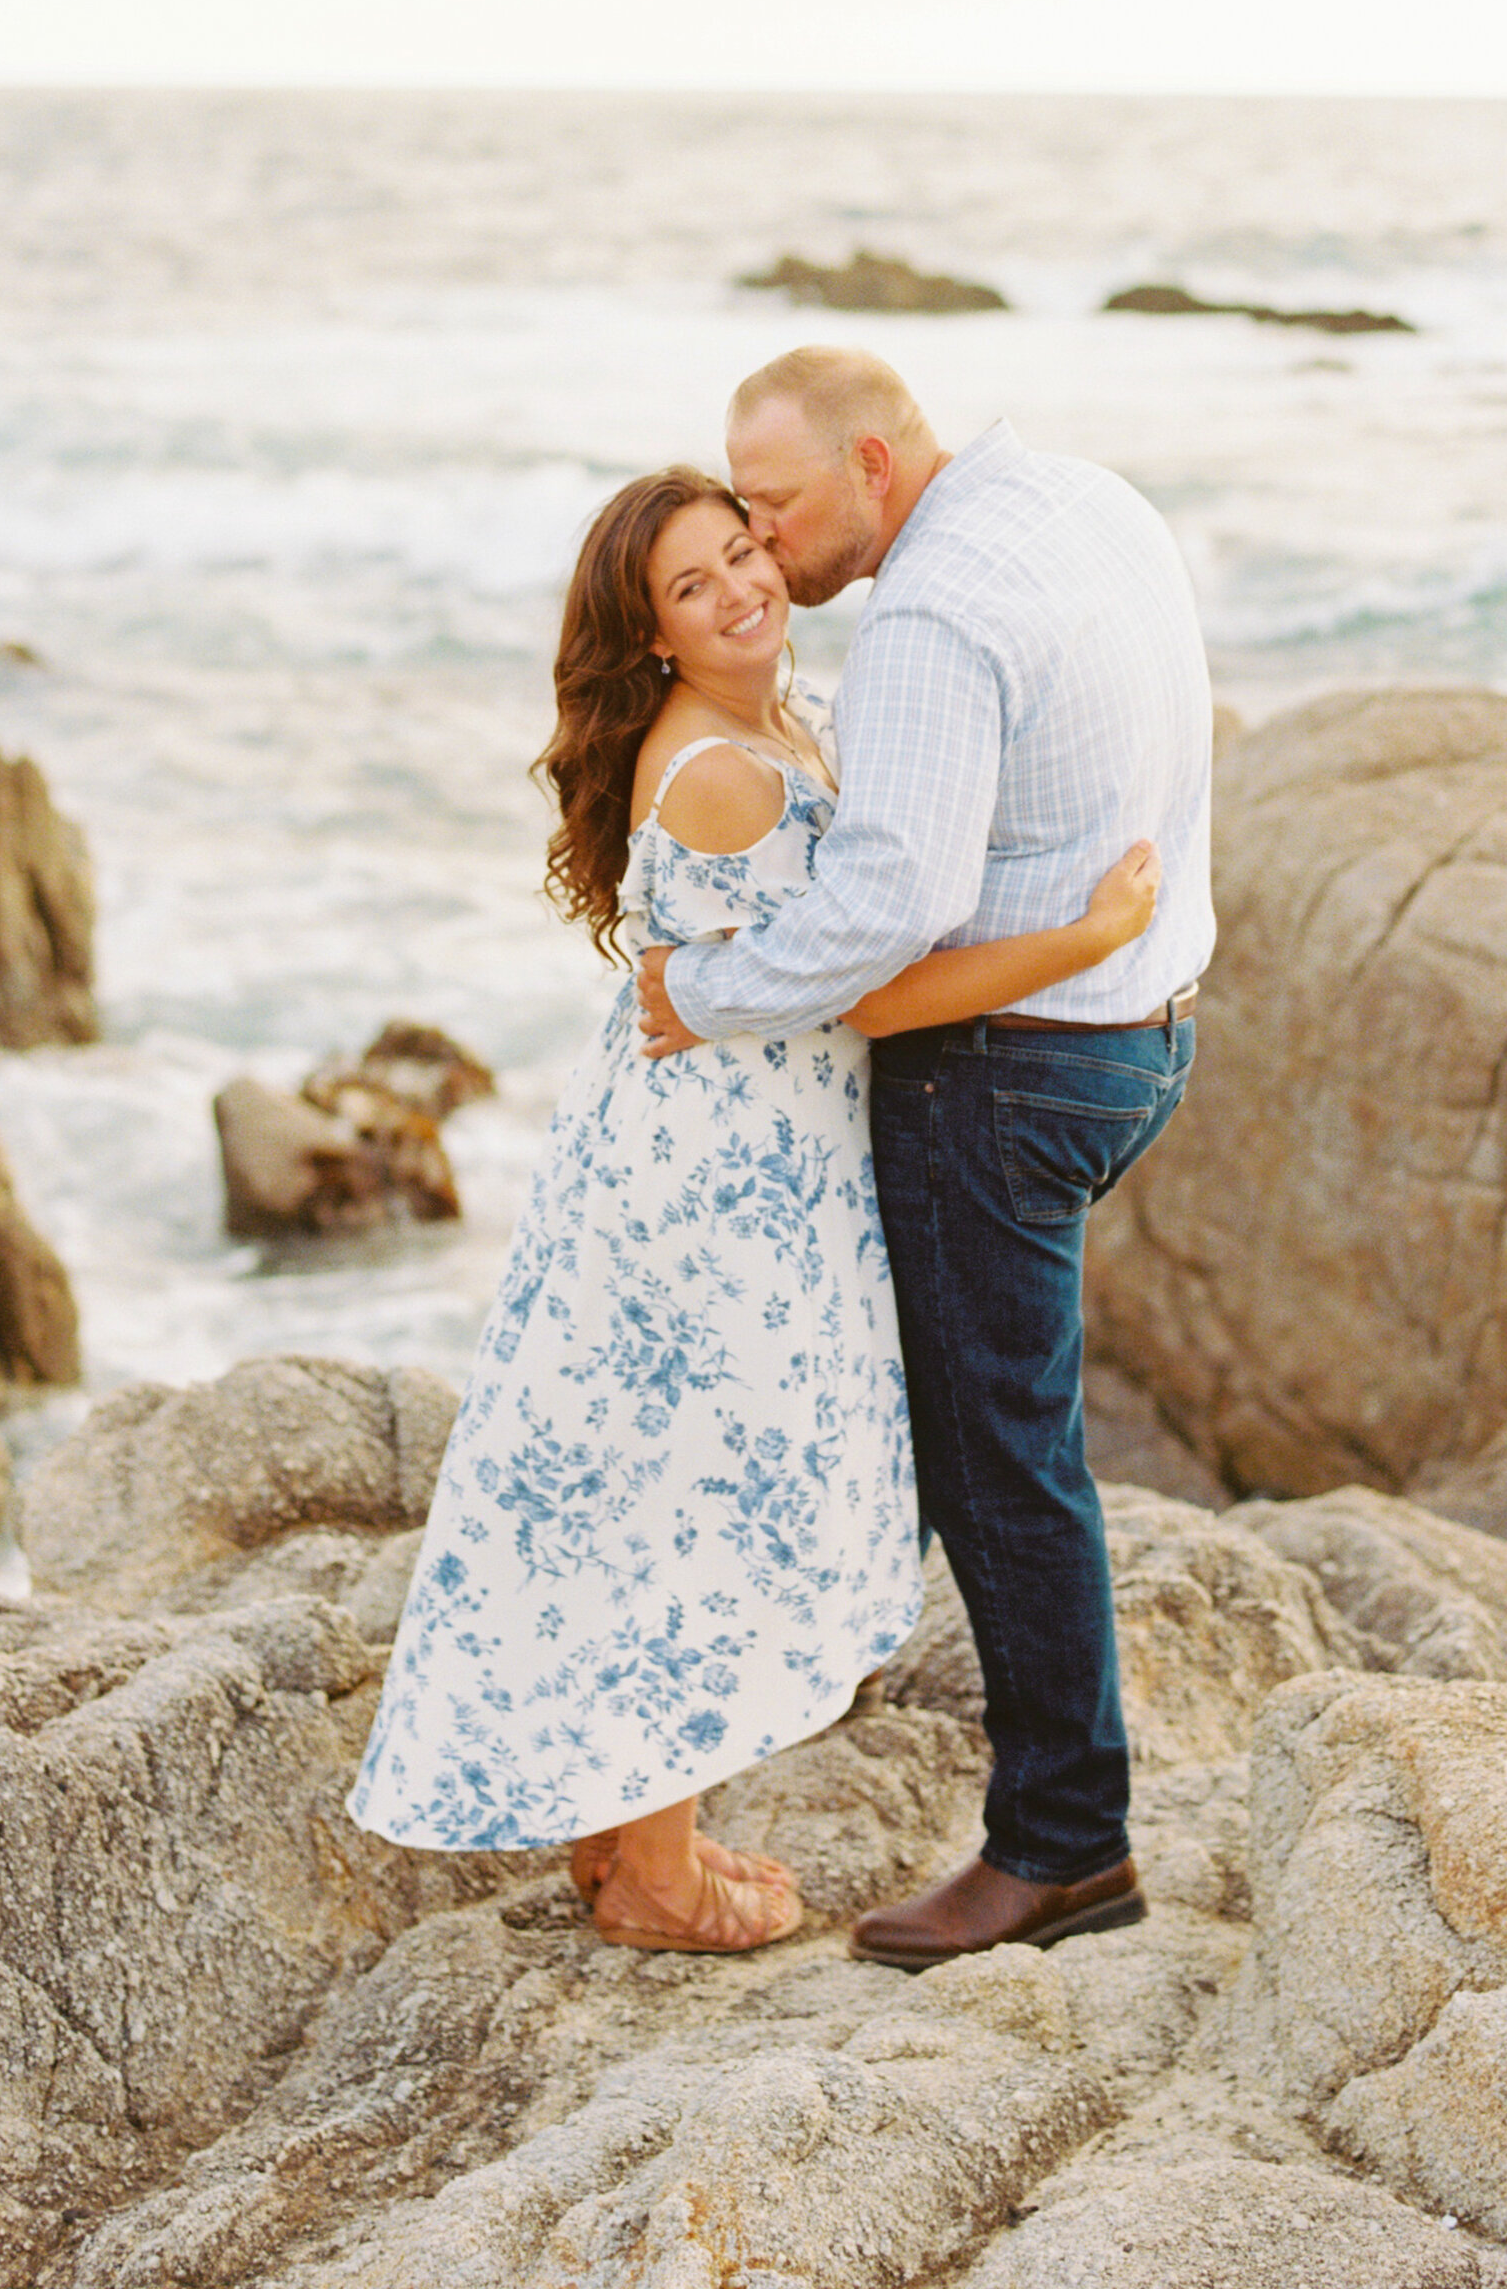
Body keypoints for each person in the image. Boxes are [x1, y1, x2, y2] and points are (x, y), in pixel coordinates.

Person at [348, 466, 1162, 1956]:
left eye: (743, 554)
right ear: (651, 636)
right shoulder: (725, 769)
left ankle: (626, 1838)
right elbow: (866, 990)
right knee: (686, 1493)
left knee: (651, 1472)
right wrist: (1087, 937)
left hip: (709, 1143)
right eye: (694, 589)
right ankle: (653, 1876)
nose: (742, 594)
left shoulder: (773, 724)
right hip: (721, 1178)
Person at [636, 351, 1214, 1969]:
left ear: (876, 464)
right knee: (993, 1430)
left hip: (1009, 1079)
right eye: (733, 509)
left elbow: (892, 899)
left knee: (999, 1460)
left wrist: (706, 990)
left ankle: (1062, 1847)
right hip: (1146, 1025)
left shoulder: (926, 618)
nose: (762, 540)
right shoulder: (1084, 501)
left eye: (777, 503)